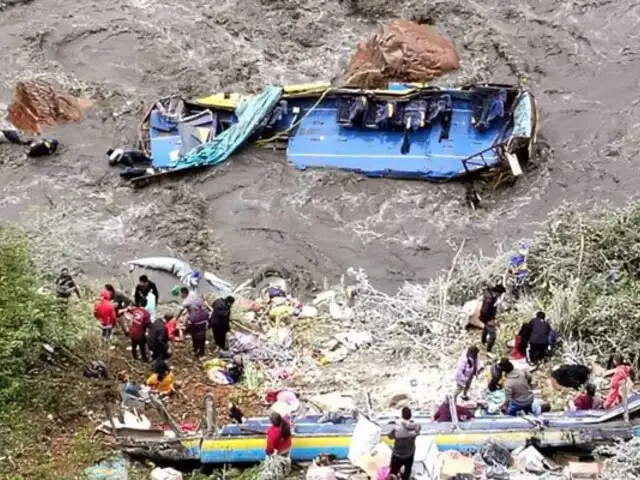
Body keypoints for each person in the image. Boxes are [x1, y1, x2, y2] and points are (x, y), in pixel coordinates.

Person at [388, 407, 421, 480]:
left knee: (393, 473)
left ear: (402, 415)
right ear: (410, 415)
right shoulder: (415, 426)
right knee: (407, 473)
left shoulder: (397, 428)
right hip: (409, 454)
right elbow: (417, 432)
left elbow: (390, 436)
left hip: (397, 454)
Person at [479, 284, 505, 354]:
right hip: (487, 317)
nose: (500, 296)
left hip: (485, 316)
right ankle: (488, 350)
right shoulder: (489, 299)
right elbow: (485, 310)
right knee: (493, 335)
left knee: (485, 328)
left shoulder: (490, 293)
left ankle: (483, 341)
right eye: (500, 294)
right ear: (497, 292)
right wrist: (489, 320)